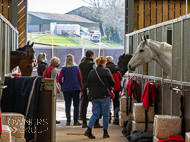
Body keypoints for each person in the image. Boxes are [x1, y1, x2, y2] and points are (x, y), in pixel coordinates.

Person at [84, 56, 115, 139]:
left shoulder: (92, 72)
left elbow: (88, 84)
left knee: (95, 114)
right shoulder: (106, 70)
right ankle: (105, 132)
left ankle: (89, 130)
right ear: (104, 62)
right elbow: (112, 83)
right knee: (105, 114)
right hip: (104, 95)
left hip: (94, 96)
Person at [58, 54, 82, 126]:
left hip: (66, 89)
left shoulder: (64, 68)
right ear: (72, 60)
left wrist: (63, 84)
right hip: (76, 88)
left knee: (67, 105)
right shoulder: (76, 68)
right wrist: (81, 87)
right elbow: (80, 78)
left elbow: (59, 78)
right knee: (76, 105)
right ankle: (75, 121)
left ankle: (68, 121)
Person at [79, 50, 101, 128]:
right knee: (95, 104)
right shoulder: (93, 64)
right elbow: (96, 73)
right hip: (92, 87)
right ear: (92, 55)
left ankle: (84, 122)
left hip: (84, 86)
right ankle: (96, 122)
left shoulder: (81, 64)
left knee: (84, 104)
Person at [42, 56, 61, 124]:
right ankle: (53, 119)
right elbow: (53, 80)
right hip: (51, 89)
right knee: (53, 105)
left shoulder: (48, 68)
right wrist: (57, 88)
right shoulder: (54, 70)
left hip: (46, 87)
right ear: (56, 63)